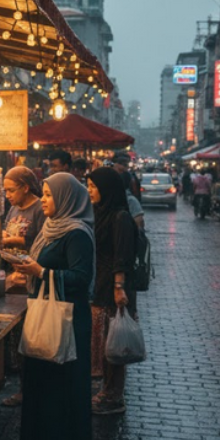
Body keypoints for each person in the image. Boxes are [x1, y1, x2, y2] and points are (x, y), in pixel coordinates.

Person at [12, 173, 95, 440]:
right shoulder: (51, 228)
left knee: (64, 387)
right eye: (43, 194)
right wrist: (28, 271)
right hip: (48, 312)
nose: (43, 200)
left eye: (48, 195)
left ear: (66, 198)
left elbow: (81, 278)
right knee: (42, 384)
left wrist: (39, 273)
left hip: (68, 320)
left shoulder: (76, 233)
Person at [87, 167, 138, 416]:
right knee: (105, 342)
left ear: (107, 189)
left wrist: (119, 287)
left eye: (93, 187)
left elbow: (122, 257)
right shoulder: (101, 213)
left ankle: (113, 396)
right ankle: (106, 390)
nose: (89, 191)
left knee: (115, 344)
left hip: (114, 288)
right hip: (100, 285)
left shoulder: (120, 218)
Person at [0, 166, 47, 408]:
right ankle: (22, 386)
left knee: (30, 337)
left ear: (25, 187)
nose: (7, 195)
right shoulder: (14, 208)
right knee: (16, 337)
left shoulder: (40, 208)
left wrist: (11, 240)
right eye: (5, 190)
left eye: (11, 190)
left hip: (31, 278)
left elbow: (40, 240)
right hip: (13, 277)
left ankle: (29, 389)